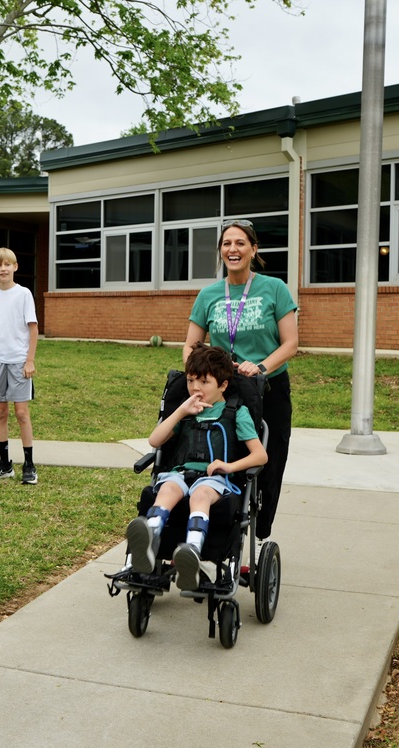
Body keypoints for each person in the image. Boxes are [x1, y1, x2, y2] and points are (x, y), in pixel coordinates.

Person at [183, 220, 298, 541]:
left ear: (253, 249)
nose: (232, 249)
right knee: (219, 452)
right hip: (223, 390)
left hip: (268, 388)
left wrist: (259, 367)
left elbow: (291, 343)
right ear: (221, 251)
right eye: (226, 244)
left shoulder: (274, 288)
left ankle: (261, 528)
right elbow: (191, 345)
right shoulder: (208, 295)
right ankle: (217, 523)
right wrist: (199, 374)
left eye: (240, 243)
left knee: (269, 459)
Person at [125, 344, 267, 591]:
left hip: (215, 480)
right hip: (180, 475)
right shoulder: (187, 412)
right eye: (191, 380)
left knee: (200, 494)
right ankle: (148, 543)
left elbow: (260, 455)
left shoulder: (236, 413)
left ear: (222, 385)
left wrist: (229, 465)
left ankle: (190, 552)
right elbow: (155, 441)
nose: (195, 388)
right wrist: (181, 411)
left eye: (204, 382)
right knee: (167, 488)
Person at [0, 247, 39, 485]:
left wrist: (30, 360)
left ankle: (29, 464)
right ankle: (5, 465)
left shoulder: (23, 294)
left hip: (19, 362)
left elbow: (32, 328)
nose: (3, 269)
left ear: (15, 267)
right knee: (0, 412)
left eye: (7, 264)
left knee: (21, 413)